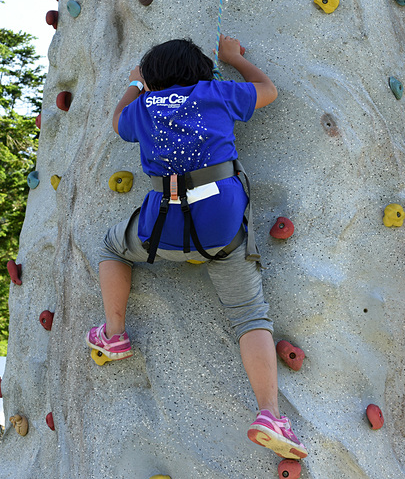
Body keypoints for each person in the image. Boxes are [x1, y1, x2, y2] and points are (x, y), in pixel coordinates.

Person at [85, 36, 308, 460]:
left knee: (112, 246)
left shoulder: (144, 109)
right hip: (220, 228)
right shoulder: (216, 92)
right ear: (201, 71)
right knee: (248, 314)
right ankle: (270, 414)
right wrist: (235, 59)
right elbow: (268, 91)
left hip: (160, 231)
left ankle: (114, 335)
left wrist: (134, 86)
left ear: (153, 80)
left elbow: (118, 122)